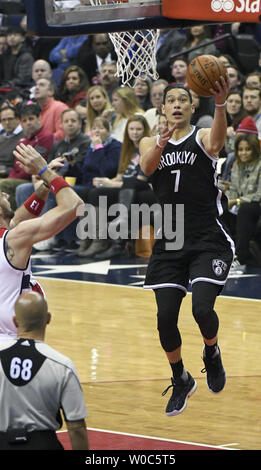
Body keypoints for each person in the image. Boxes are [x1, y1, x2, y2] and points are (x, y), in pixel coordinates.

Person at [139, 78, 234, 417]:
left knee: (202, 310)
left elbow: (219, 142)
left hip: (208, 238)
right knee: (165, 318)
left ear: (194, 107)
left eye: (184, 99)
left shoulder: (203, 136)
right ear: (162, 108)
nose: (177, 104)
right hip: (170, 241)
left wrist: (220, 104)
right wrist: (161, 144)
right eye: (171, 100)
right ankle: (181, 377)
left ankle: (212, 353)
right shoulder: (151, 141)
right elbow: (147, 167)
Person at [0, 143, 83, 342]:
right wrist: (44, 171)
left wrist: (45, 185)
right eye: (0, 194)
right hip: (14, 339)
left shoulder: (12, 234)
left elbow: (19, 220)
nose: (4, 193)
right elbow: (75, 206)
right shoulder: (14, 238)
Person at [0, 291, 89, 450]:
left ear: (15, 321)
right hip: (43, 444)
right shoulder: (63, 365)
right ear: (48, 318)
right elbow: (76, 428)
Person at [16, 108, 91, 252]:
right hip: (56, 181)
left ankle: (47, 235)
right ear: (61, 125)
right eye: (66, 121)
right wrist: (39, 177)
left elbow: (85, 170)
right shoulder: (58, 144)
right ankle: (26, 232)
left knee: (51, 191)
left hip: (79, 183)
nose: (70, 124)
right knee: (23, 188)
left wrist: (52, 176)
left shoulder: (86, 142)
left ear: (80, 123)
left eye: (73, 121)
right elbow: (48, 167)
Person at [79, 114, 153, 258]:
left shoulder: (147, 148)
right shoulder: (127, 149)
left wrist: (111, 183)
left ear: (145, 131)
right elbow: (120, 174)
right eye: (131, 129)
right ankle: (94, 238)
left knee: (131, 182)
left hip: (143, 187)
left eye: (139, 129)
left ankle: (119, 240)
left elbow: (140, 179)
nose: (135, 132)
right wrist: (106, 181)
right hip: (126, 188)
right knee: (95, 192)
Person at [0, 103, 54, 211]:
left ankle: (11, 220)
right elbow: (16, 166)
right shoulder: (23, 140)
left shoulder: (45, 137)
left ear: (39, 118)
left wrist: (10, 179)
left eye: (31, 119)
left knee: (4, 184)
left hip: (33, 178)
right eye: (24, 121)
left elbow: (32, 167)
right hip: (18, 178)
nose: (28, 123)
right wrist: (11, 178)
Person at [222, 133, 261, 271]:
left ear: (254, 149)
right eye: (240, 149)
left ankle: (241, 258)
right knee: (220, 208)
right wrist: (226, 200)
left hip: (256, 205)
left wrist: (237, 201)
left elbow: (258, 195)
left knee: (246, 209)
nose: (243, 153)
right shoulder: (237, 165)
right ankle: (223, 254)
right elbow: (233, 188)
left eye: (247, 149)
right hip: (243, 205)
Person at [34, 77, 68, 141]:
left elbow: (62, 134)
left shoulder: (59, 107)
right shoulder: (35, 110)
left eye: (41, 85)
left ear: (51, 91)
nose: (37, 88)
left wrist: (43, 140)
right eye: (36, 85)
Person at [0, 105, 24, 177]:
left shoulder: (25, 136)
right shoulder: (1, 137)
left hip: (10, 175)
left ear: (18, 119)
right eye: (3, 120)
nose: (7, 122)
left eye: (10, 119)